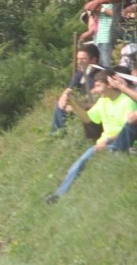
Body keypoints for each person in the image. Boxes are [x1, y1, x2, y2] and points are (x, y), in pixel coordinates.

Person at [45, 69, 137, 203]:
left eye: (99, 85)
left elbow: (128, 130)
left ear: (110, 84)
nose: (96, 89)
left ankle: (113, 158)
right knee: (79, 164)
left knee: (92, 158)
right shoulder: (103, 101)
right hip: (103, 144)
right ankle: (58, 195)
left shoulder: (127, 102)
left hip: (118, 142)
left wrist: (107, 140)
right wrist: (73, 103)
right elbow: (88, 119)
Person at [51, 45, 99, 133]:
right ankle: (57, 133)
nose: (79, 62)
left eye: (83, 59)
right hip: (83, 103)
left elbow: (95, 95)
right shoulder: (80, 73)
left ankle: (59, 134)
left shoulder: (101, 75)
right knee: (60, 104)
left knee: (65, 107)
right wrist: (64, 97)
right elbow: (70, 88)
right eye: (78, 59)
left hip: (94, 106)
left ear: (93, 60)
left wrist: (76, 102)